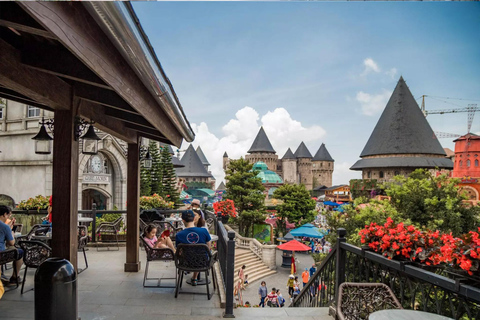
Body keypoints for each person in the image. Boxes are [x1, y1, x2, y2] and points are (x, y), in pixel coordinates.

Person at [175, 210, 211, 286]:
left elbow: (179, 252)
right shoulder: (204, 231)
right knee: (200, 253)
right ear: (194, 218)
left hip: (185, 263)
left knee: (190, 254)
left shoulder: (179, 235)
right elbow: (209, 247)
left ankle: (193, 278)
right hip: (203, 263)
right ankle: (194, 278)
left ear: (183, 220)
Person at [0, 205, 23, 286]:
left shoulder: (5, 226)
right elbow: (11, 243)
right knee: (20, 252)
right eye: (9, 215)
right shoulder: (4, 226)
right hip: (1, 254)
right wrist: (11, 233)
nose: (9, 217)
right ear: (4, 214)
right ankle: (15, 277)